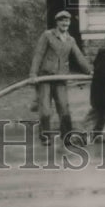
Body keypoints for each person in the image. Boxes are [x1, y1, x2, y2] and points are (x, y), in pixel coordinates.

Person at [29, 10, 91, 143]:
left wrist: (89, 71)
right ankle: (45, 136)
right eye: (62, 20)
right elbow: (38, 54)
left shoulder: (70, 39)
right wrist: (33, 73)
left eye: (67, 21)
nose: (65, 23)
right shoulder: (48, 35)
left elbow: (79, 56)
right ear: (57, 22)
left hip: (61, 78)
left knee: (64, 109)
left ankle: (66, 136)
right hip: (45, 77)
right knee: (45, 110)